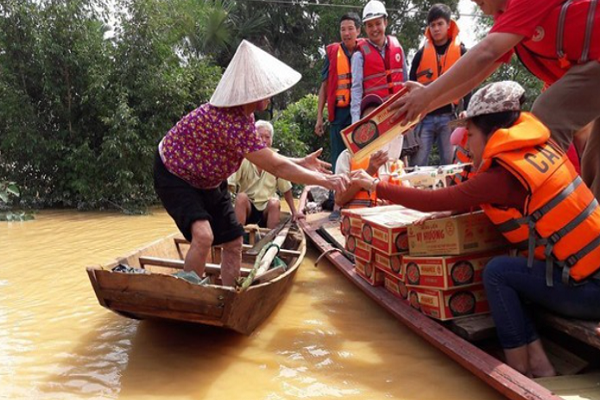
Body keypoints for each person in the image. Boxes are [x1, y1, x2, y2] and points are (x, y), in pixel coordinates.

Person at [351, 81, 600, 377]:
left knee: (497, 272)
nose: (466, 144)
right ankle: (540, 364)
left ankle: (520, 367)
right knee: (513, 270)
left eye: (470, 134)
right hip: (587, 274)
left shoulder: (502, 176)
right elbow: (470, 200)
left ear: (491, 133)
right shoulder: (538, 149)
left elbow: (433, 199)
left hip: (589, 290)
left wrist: (374, 184)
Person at [154, 40, 348, 287]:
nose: (270, 94)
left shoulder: (245, 117)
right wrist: (326, 180)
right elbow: (275, 166)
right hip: (175, 175)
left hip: (208, 181)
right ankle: (189, 300)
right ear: (253, 94)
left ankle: (228, 296)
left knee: (234, 242)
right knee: (203, 236)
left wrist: (300, 161)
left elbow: (263, 156)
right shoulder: (227, 120)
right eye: (266, 90)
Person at [390, 0, 600, 201]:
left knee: (547, 115)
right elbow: (477, 75)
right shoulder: (507, 18)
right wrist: (427, 104)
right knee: (594, 163)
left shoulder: (523, 4)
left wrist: (428, 94)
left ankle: (545, 210)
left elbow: (486, 52)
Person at [409, 4, 471, 167]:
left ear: (448, 25)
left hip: (449, 117)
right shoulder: (420, 54)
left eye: (440, 24)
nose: (436, 28)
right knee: (418, 162)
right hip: (425, 117)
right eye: (432, 25)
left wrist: (467, 108)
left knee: (450, 164)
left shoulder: (462, 52)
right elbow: (411, 84)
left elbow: (470, 80)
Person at [229, 120, 304, 228]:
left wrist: (294, 212)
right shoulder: (244, 157)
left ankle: (270, 241)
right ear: (254, 137)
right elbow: (229, 185)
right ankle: (238, 235)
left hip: (267, 209)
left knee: (275, 203)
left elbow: (286, 189)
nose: (264, 140)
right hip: (248, 208)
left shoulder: (276, 160)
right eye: (260, 136)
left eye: (267, 137)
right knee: (241, 197)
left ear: (271, 140)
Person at [315, 12, 363, 169]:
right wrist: (319, 117)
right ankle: (335, 192)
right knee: (338, 156)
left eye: (350, 29)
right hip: (338, 114)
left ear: (358, 31)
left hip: (361, 112)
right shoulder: (332, 53)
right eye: (343, 29)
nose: (346, 33)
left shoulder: (366, 51)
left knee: (360, 153)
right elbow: (324, 86)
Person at [350, 0, 408, 126]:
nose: (374, 29)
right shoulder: (359, 55)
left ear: (385, 22)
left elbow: (406, 80)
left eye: (378, 23)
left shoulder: (398, 48)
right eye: (370, 25)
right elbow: (356, 90)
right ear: (365, 28)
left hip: (399, 114)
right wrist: (356, 122)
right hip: (375, 118)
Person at [334, 94, 390, 210]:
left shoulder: (390, 155)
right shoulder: (347, 156)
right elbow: (339, 200)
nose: (373, 125)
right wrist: (369, 172)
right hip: (356, 224)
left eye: (378, 119)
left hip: (384, 222)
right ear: (361, 124)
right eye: (369, 119)